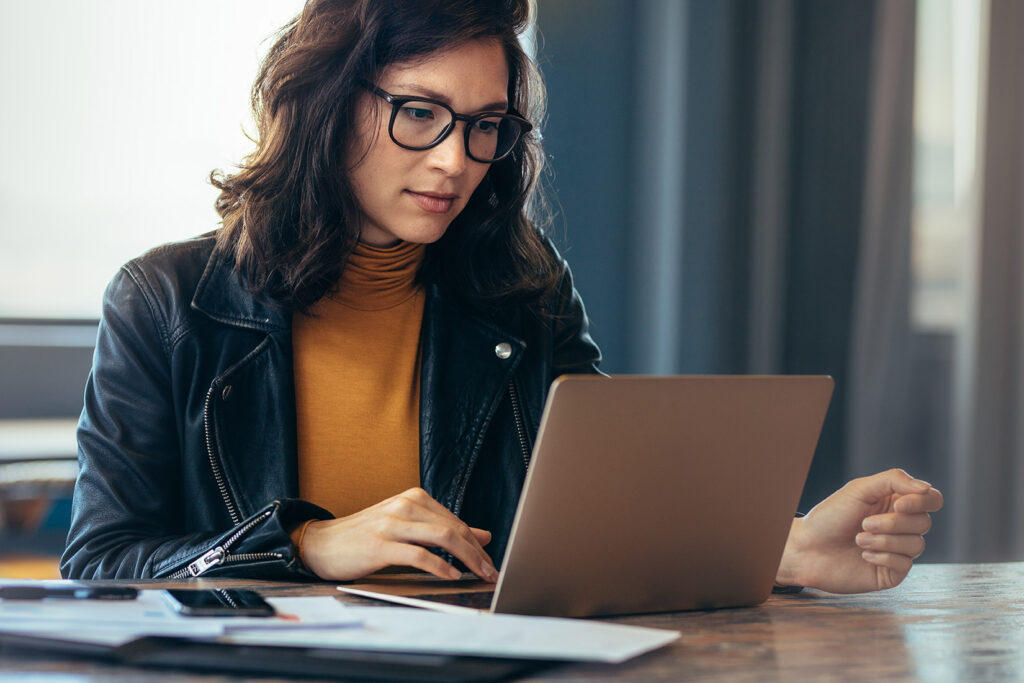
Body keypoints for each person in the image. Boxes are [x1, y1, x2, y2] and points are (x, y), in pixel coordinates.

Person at [61, 0, 942, 594]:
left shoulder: (521, 287)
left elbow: (602, 515)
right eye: (419, 113)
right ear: (326, 102)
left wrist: (782, 547)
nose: (455, 160)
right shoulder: (167, 301)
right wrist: (304, 546)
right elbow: (99, 563)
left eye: (486, 125)